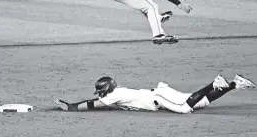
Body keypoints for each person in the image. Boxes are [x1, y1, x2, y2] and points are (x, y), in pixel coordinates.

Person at [54, 74, 255, 114]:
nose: (99, 95)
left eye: (100, 91)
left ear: (106, 90)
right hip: (160, 94)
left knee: (185, 108)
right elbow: (93, 102)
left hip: (158, 97)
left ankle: (214, 83)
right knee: (200, 104)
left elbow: (91, 104)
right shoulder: (116, 92)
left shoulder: (112, 96)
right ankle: (234, 84)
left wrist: (71, 107)